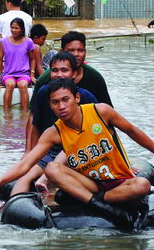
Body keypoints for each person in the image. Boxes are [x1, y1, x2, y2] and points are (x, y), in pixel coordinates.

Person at [0, 78, 154, 230]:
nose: (61, 106)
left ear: (76, 98)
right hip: (90, 184)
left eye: (66, 99)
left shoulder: (101, 112)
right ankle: (100, 206)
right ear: (50, 106)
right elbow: (26, 164)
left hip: (119, 181)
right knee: (51, 168)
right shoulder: (54, 132)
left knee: (142, 184)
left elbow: (133, 132)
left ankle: (85, 198)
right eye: (55, 102)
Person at [10, 52, 98, 196]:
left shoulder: (86, 97)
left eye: (64, 70)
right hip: (51, 151)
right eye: (55, 70)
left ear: (74, 74)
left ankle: (46, 180)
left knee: (68, 151)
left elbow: (103, 130)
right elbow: (35, 122)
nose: (59, 74)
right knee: (26, 176)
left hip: (80, 152)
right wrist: (29, 152)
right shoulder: (44, 93)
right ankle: (11, 204)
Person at [0, 18, 35, 110]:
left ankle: (24, 114)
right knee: (10, 85)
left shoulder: (28, 42)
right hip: (9, 74)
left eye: (16, 28)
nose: (13, 30)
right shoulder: (3, 41)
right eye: (12, 28)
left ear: (22, 29)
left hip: (24, 74)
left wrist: (32, 74)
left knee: (23, 85)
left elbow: (33, 59)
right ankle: (6, 114)